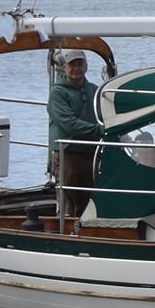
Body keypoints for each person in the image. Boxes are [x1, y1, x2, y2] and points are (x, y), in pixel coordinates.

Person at [47, 48, 101, 222]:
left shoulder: (95, 90)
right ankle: (64, 235)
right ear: (64, 68)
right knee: (67, 204)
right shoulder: (58, 93)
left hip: (91, 153)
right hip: (67, 153)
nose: (76, 68)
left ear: (86, 66)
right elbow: (70, 125)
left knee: (88, 202)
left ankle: (87, 233)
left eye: (80, 64)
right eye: (72, 65)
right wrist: (100, 131)